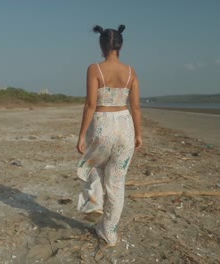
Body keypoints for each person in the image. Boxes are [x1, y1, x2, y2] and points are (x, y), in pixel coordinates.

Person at [76, 24, 142, 247]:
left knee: (92, 164)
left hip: (103, 124)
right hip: (125, 125)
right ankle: (109, 233)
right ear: (120, 47)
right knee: (117, 183)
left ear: (102, 46)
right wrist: (139, 134)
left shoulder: (95, 69)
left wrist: (82, 135)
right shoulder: (131, 72)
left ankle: (94, 202)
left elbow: (90, 105)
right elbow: (136, 107)